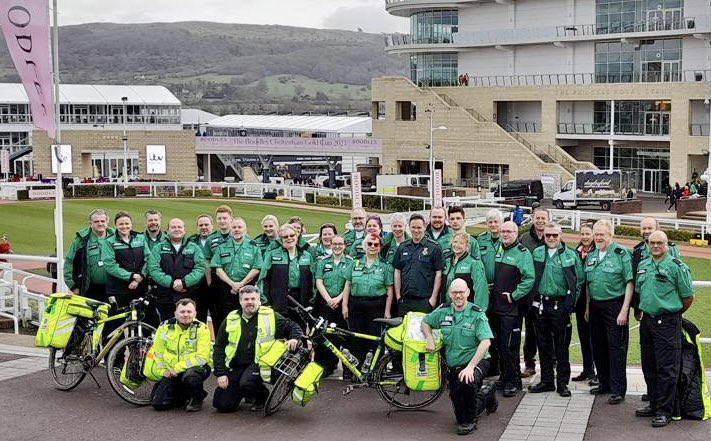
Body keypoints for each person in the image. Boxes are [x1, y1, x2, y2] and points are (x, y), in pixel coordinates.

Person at [634, 231, 694, 427]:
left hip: (667, 322)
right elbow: (640, 291)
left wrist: (671, 313)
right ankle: (653, 403)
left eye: (660, 243)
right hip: (647, 322)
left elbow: (687, 297)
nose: (656, 246)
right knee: (649, 365)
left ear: (667, 244)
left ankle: (664, 411)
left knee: (666, 369)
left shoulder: (677, 267)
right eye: (652, 243)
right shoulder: (643, 265)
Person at [212, 285, 304, 413]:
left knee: (247, 382)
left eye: (253, 299)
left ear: (259, 300)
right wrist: (220, 373)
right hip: (236, 366)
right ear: (240, 301)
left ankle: (261, 396)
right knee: (222, 405)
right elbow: (219, 347)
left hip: (260, 363)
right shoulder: (231, 318)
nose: (250, 302)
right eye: (246, 299)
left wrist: (294, 338)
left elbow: (293, 326)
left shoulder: (270, 316)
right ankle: (247, 393)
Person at [422, 278, 493, 436]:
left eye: (461, 292)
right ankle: (486, 394)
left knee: (466, 383)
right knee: (458, 400)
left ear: (468, 292)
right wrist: (429, 337)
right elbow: (426, 322)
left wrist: (470, 367)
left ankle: (469, 422)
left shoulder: (476, 314)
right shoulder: (443, 311)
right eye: (454, 292)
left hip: (477, 361)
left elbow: (485, 342)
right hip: (455, 364)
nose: (458, 296)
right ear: (449, 294)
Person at [528, 222, 583, 397]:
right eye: (548, 235)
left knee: (561, 347)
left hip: (561, 307)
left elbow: (579, 281)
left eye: (554, 235)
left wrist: (570, 304)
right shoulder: (537, 253)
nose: (551, 238)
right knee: (543, 346)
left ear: (560, 236)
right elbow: (530, 278)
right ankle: (546, 381)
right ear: (544, 236)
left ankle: (562, 383)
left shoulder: (570, 255)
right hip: (541, 306)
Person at [585, 219, 633, 405]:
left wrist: (624, 310)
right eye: (596, 234)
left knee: (616, 348)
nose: (598, 238)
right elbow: (589, 284)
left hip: (615, 306)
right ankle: (604, 382)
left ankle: (618, 389)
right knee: (598, 346)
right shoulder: (592, 254)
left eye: (602, 235)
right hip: (596, 306)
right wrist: (588, 307)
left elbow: (629, 282)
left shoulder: (621, 253)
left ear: (610, 235)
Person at [490, 221, 535, 397]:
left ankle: (513, 381)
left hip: (511, 309)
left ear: (516, 233)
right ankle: (504, 376)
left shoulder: (522, 253)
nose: (506, 234)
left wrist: (514, 295)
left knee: (510, 347)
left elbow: (529, 279)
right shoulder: (500, 249)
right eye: (503, 231)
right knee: (500, 345)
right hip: (497, 308)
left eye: (509, 231)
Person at [147, 298, 212, 412]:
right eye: (182, 312)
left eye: (189, 312)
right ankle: (185, 393)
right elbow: (158, 352)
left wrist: (177, 368)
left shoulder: (202, 328)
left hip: (195, 368)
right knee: (158, 404)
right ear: (175, 314)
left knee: (190, 377)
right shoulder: (164, 327)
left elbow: (202, 358)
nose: (186, 315)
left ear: (195, 313)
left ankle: (197, 398)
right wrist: (163, 370)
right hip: (171, 371)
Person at [343, 233, 393, 366]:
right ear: (364, 245)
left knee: (375, 338)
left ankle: (376, 370)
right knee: (357, 337)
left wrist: (387, 311)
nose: (372, 246)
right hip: (356, 304)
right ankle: (358, 369)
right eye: (369, 244)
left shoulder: (385, 266)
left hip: (376, 305)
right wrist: (344, 306)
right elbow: (348, 284)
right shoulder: (355, 262)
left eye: (376, 244)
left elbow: (389, 289)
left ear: (380, 247)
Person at [147, 218, 206, 321]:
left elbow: (200, 268)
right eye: (173, 227)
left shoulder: (194, 248)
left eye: (179, 227)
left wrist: (184, 282)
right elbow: (153, 269)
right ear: (168, 230)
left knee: (188, 326)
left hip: (188, 295)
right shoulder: (158, 248)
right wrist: (171, 283)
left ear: (184, 230)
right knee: (167, 327)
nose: (177, 229)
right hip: (165, 296)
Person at [211, 218, 263, 332]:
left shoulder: (254, 246)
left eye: (239, 227)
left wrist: (241, 284)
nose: (236, 230)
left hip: (247, 288)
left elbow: (257, 268)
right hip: (226, 288)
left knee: (248, 319)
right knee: (225, 320)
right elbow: (217, 268)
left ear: (245, 229)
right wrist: (232, 284)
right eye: (234, 227)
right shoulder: (222, 246)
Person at [258, 224, 314, 326]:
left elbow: (312, 282)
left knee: (299, 334)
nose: (289, 238)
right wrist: (266, 302)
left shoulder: (307, 256)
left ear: (297, 236)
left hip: (300, 303)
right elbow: (263, 279)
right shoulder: (272, 254)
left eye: (292, 235)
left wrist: (311, 302)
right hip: (278, 302)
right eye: (285, 237)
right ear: (281, 239)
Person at [314, 234, 353, 376]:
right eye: (334, 243)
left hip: (343, 304)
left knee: (344, 336)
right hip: (326, 304)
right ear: (330, 244)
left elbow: (349, 283)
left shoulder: (350, 262)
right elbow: (319, 281)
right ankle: (327, 365)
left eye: (340, 244)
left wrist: (338, 299)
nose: (337, 246)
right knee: (326, 336)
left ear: (345, 245)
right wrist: (329, 299)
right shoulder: (323, 262)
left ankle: (348, 368)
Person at [393, 213, 444, 316]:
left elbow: (438, 273)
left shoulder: (434, 248)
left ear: (424, 227)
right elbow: (397, 272)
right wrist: (398, 296)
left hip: (424, 301)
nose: (416, 231)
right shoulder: (402, 247)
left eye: (419, 227)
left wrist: (433, 299)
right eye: (413, 227)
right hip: (405, 301)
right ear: (409, 227)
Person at [519, 206, 549, 379]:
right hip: (530, 294)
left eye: (543, 218)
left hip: (549, 292)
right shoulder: (524, 239)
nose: (540, 221)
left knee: (549, 331)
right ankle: (530, 364)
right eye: (537, 218)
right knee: (530, 330)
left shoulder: (553, 237)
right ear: (533, 218)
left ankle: (550, 363)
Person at [64, 209, 114, 302]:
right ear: (90, 223)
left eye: (103, 221)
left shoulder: (117, 238)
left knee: (114, 315)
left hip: (114, 289)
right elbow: (69, 263)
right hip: (89, 290)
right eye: (96, 221)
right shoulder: (81, 240)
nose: (100, 224)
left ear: (107, 222)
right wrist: (73, 287)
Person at [102, 211, 149, 307]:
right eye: (121, 224)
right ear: (116, 225)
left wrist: (139, 277)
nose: (124, 226)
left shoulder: (140, 238)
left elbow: (148, 259)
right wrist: (131, 276)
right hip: (118, 289)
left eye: (127, 223)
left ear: (131, 225)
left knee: (140, 318)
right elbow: (110, 265)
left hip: (140, 287)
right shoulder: (109, 241)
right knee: (118, 319)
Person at [572, 223, 597, 384]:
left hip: (594, 300)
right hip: (579, 302)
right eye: (583, 234)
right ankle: (587, 369)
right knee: (583, 336)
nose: (585, 237)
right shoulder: (575, 253)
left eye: (588, 234)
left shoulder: (598, 252)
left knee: (594, 337)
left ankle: (597, 371)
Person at [442, 232, 489, 311]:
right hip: (448, 308)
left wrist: (478, 311)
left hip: (466, 309)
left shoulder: (474, 263)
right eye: (455, 242)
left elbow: (480, 290)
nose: (457, 245)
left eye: (461, 243)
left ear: (467, 246)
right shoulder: (447, 260)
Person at [186, 214, 214, 323]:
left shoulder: (218, 240)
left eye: (206, 224)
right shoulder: (190, 241)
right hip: (196, 285)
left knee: (216, 315)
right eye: (201, 225)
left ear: (212, 226)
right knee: (198, 316)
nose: (204, 227)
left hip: (214, 285)